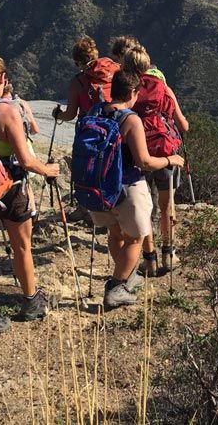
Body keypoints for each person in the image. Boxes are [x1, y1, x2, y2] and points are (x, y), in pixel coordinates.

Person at [0, 56, 61, 338]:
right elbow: (25, 160)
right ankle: (32, 301)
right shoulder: (6, 111)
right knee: (22, 247)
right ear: (2, 78)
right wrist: (49, 169)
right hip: (11, 187)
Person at [94, 69, 184, 308]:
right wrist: (169, 160)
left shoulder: (96, 111)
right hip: (126, 186)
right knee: (137, 237)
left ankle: (125, 276)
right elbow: (144, 161)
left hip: (99, 187)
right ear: (133, 92)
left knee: (114, 233)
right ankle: (116, 287)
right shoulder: (130, 119)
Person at [119, 42, 189, 275]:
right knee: (167, 205)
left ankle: (149, 260)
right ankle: (169, 255)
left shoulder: (127, 90)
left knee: (146, 208)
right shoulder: (163, 87)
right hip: (166, 152)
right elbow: (183, 125)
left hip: (137, 155)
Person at [53, 36, 118, 123]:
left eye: (76, 63)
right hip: (114, 122)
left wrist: (57, 114)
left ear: (79, 62)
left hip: (90, 125)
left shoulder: (78, 81)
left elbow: (70, 115)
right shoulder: (114, 70)